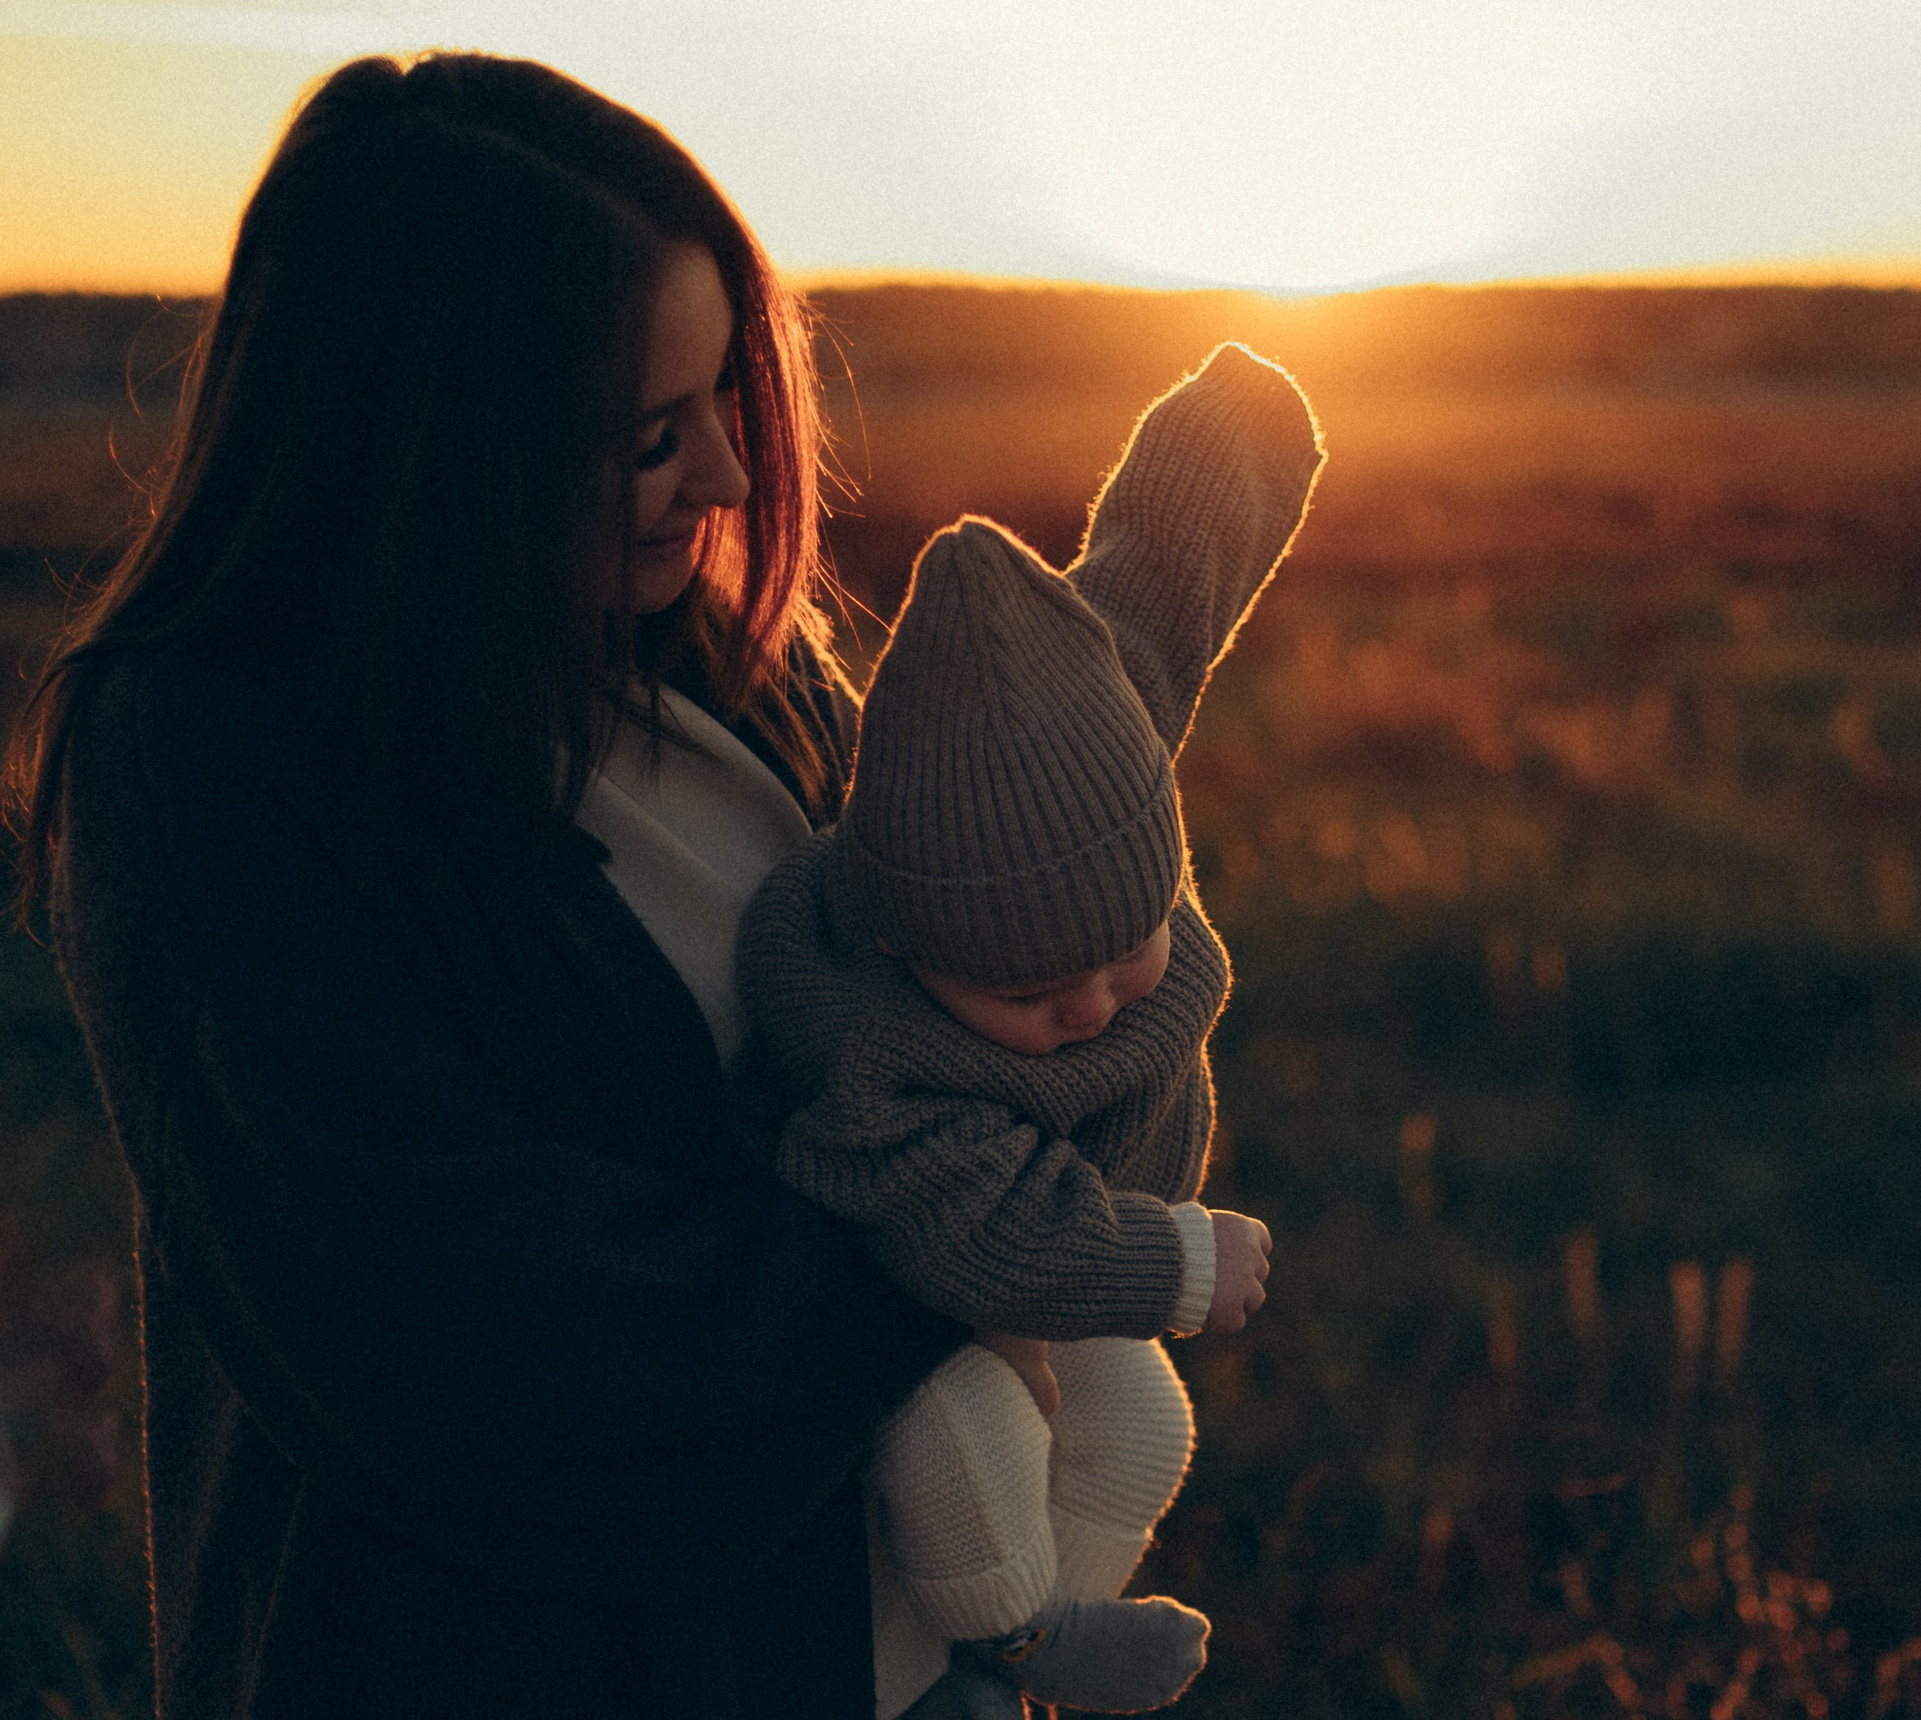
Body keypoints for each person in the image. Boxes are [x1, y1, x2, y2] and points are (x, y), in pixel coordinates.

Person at [4, 52, 973, 1719]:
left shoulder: (747, 676)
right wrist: (963, 1232)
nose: (736, 486)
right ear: (429, 442)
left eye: (730, 402)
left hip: (879, 1658)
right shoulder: (204, 760)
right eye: (650, 438)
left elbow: (1001, 1007)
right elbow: (493, 1348)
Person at [734, 345, 1321, 1717]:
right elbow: (980, 1227)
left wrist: (1243, 432)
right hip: (914, 1309)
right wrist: (1179, 1263)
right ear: (906, 945)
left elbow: (1156, 589)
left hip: (1088, 1263)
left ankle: (1056, 1630)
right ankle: (993, 1657)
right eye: (1031, 995)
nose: (1094, 1007)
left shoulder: (1089, 762)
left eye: (1131, 952)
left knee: (1144, 1418)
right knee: (969, 1434)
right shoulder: (873, 1045)